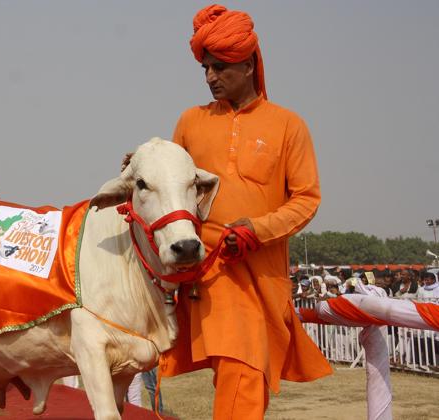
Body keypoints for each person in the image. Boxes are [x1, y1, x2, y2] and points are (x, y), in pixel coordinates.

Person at [161, 5, 331, 419]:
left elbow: (307, 199)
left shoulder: (288, 126)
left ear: (250, 64)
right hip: (210, 271)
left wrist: (258, 228)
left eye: (220, 67)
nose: (210, 77)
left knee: (245, 371)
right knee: (241, 365)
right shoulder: (190, 121)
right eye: (205, 68)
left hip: (265, 275)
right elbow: (172, 190)